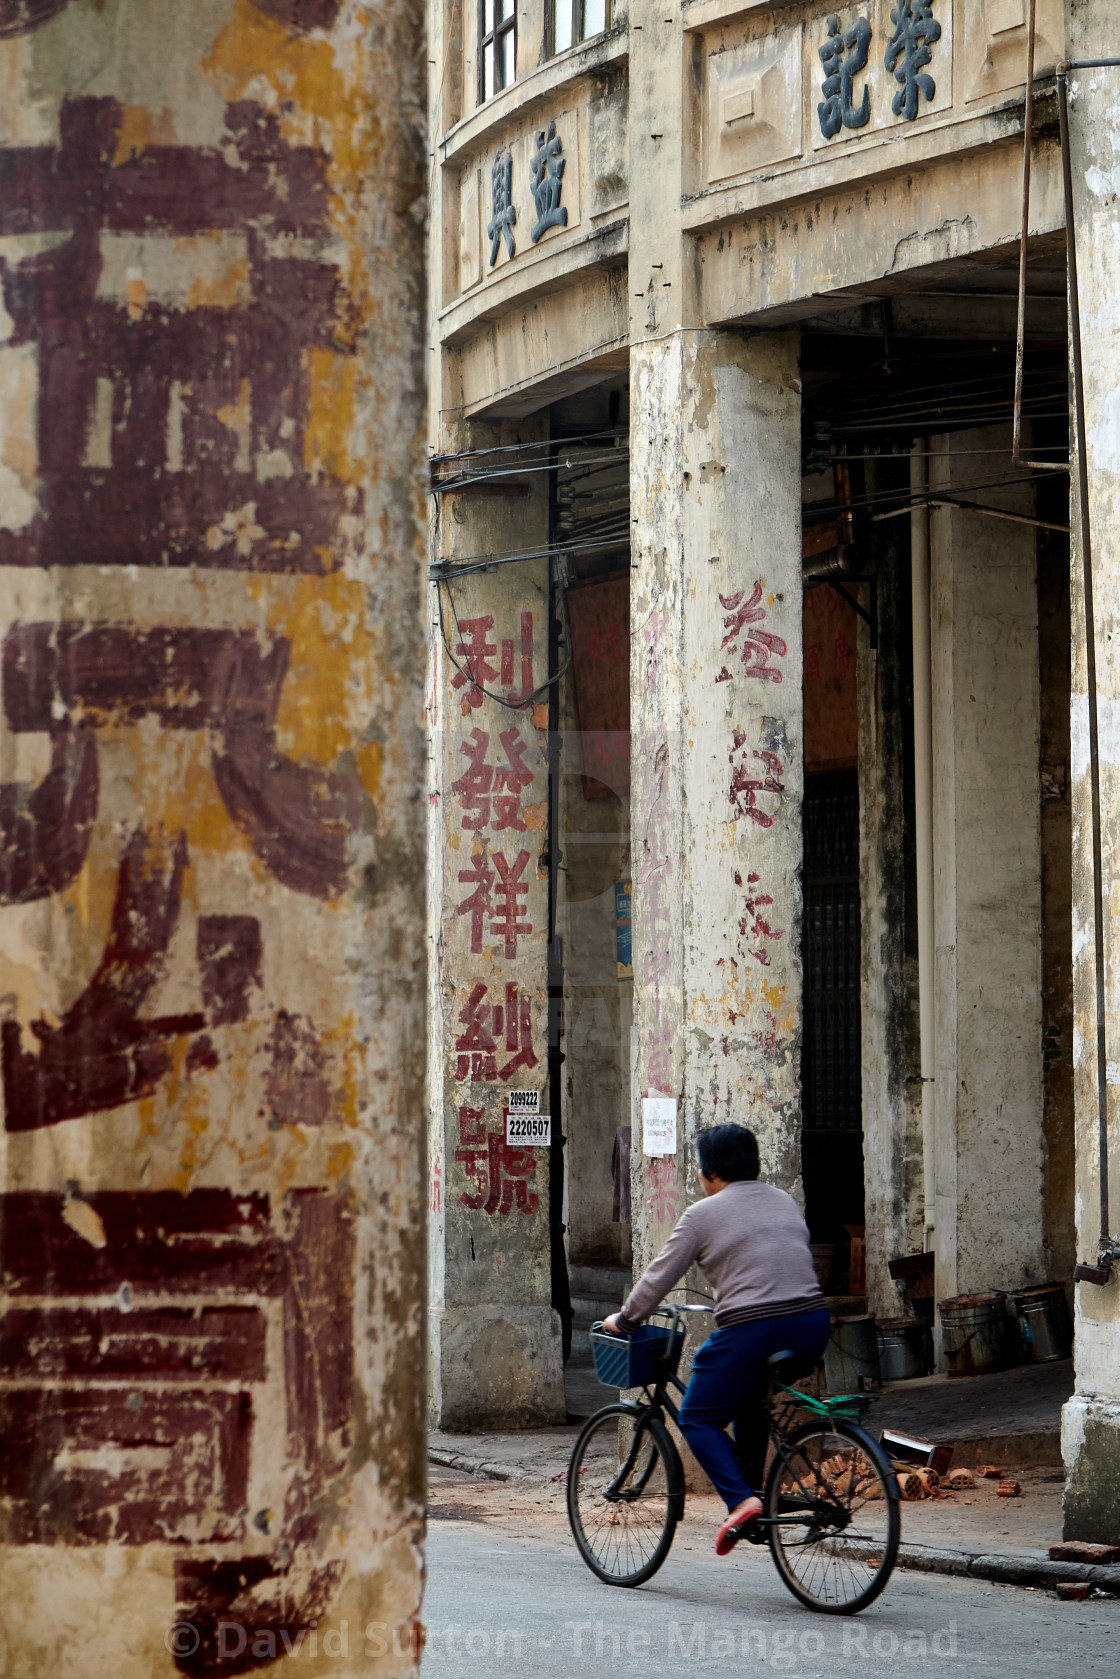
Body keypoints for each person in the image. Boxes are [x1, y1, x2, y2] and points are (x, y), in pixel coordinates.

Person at [601, 1123, 829, 1556]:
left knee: (698, 1418)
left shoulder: (703, 1214)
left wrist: (626, 1320)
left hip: (754, 1328)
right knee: (748, 1399)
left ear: (708, 1173)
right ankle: (756, 1495)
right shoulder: (783, 1201)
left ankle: (742, 1501)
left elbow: (659, 1277)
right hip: (813, 1324)